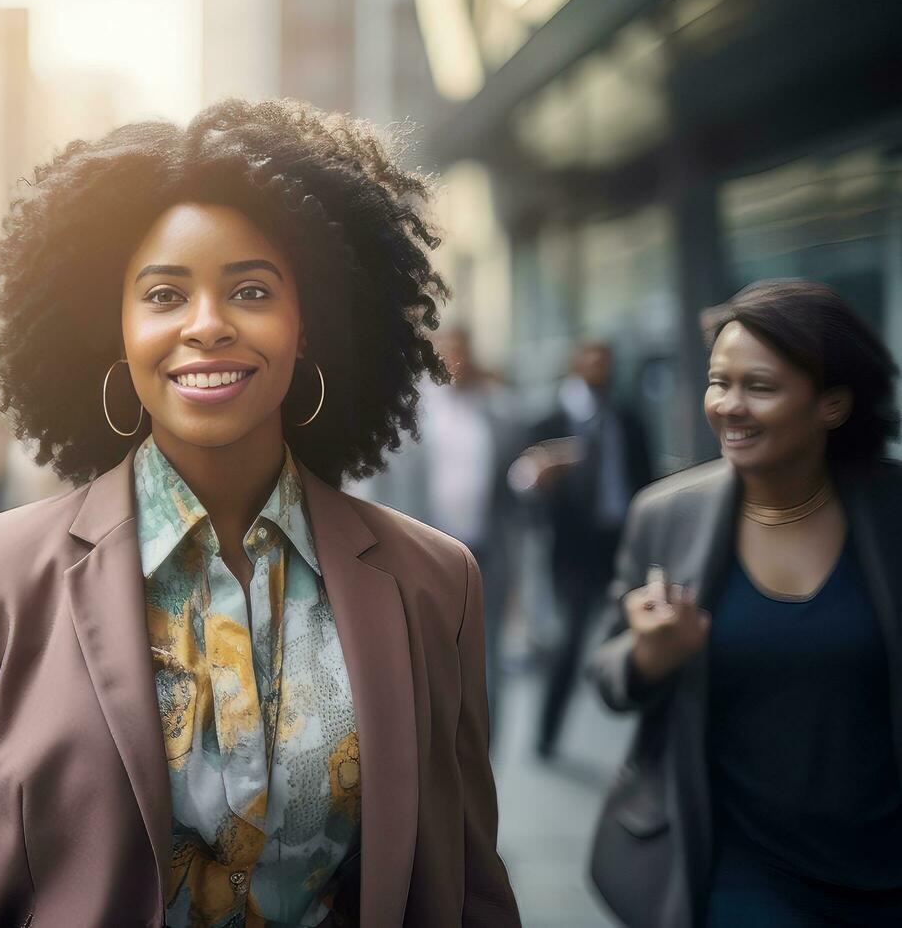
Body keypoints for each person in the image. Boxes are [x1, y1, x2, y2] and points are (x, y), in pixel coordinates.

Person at [0, 99, 520, 927]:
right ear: (114, 331)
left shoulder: (433, 582)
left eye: (250, 290)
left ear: (309, 321)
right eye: (165, 295)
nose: (207, 326)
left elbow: (467, 890)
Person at [588, 280, 902, 927]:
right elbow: (607, 672)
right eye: (718, 382)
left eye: (759, 386)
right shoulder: (667, 515)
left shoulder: (892, 511)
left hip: (885, 864)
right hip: (739, 867)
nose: (730, 406)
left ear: (833, 403)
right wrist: (649, 654)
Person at [353, 325, 522, 740]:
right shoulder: (405, 413)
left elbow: (513, 484)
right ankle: (432, 760)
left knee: (485, 664)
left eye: (462, 349)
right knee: (423, 659)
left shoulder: (498, 412)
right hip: (420, 559)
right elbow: (377, 490)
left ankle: (481, 761)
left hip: (485, 556)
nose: (454, 359)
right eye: (445, 349)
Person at [512, 340, 653, 759]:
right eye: (590, 360)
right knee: (569, 641)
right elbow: (520, 478)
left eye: (605, 361)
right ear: (576, 364)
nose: (599, 368)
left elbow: (644, 476)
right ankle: (546, 737)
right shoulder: (550, 418)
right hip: (572, 546)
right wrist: (537, 475)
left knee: (640, 634)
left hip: (622, 539)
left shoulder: (626, 416)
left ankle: (651, 737)